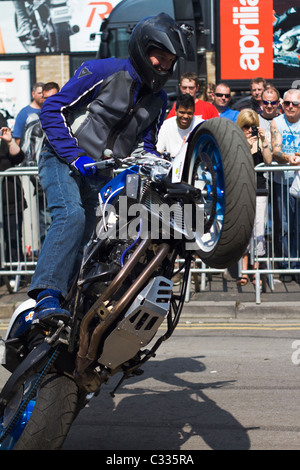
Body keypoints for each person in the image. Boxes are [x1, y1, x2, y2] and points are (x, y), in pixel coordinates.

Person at [27, 12, 194, 322]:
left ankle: (69, 305)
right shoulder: (103, 70)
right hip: (61, 160)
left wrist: (161, 166)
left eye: (169, 60)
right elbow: (53, 108)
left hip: (99, 174)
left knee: (92, 240)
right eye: (158, 56)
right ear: (144, 50)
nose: (163, 65)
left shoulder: (158, 99)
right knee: (72, 216)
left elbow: (145, 145)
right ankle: (46, 295)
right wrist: (75, 155)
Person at [236, 109, 272, 286]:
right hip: (241, 190)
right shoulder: (237, 141)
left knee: (259, 231)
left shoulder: (260, 141)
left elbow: (268, 160)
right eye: (246, 127)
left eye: (253, 126)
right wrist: (247, 145)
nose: (250, 130)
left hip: (259, 190)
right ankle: (244, 271)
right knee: (243, 230)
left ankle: (256, 269)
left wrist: (263, 140)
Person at [22, 82, 60, 246]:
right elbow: (28, 152)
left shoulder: (65, 116)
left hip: (65, 180)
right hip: (44, 182)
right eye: (47, 98)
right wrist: (40, 180)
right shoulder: (34, 120)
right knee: (48, 226)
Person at [271, 88, 300, 282]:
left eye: (295, 104)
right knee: (285, 226)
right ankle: (287, 265)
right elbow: (275, 150)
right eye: (287, 103)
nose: (290, 106)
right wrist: (286, 157)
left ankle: (297, 264)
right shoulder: (276, 122)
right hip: (282, 180)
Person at [0, 124, 27, 273]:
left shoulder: (4, 144)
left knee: (13, 240)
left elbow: (18, 158)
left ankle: (14, 274)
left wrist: (10, 142)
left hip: (10, 201)